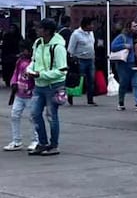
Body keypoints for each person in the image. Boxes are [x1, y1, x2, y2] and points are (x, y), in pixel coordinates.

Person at [27, 18, 66, 156]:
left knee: (51, 116)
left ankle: (54, 145)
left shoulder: (58, 47)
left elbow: (62, 70)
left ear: (48, 31)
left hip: (54, 85)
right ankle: (42, 143)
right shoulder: (38, 43)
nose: (37, 30)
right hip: (39, 85)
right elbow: (34, 60)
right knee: (35, 114)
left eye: (40, 28)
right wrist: (29, 69)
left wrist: (40, 74)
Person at [5, 41, 40, 152]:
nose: (23, 52)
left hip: (30, 94)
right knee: (14, 115)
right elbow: (16, 73)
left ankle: (35, 140)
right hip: (19, 94)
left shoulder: (34, 62)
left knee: (32, 117)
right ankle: (16, 140)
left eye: (24, 49)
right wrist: (14, 83)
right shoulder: (20, 61)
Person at [110, 21, 137, 111]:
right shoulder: (122, 37)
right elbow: (113, 46)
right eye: (134, 26)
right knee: (123, 83)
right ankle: (121, 102)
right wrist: (124, 45)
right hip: (123, 63)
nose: (136, 27)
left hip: (134, 63)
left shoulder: (136, 37)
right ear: (129, 27)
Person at [67, 17, 97, 106]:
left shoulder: (91, 33)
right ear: (86, 25)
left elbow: (92, 45)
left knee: (91, 80)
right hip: (80, 59)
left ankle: (90, 99)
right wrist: (72, 59)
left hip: (90, 59)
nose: (92, 26)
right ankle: (71, 94)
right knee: (77, 79)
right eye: (91, 24)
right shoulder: (76, 34)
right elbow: (70, 48)